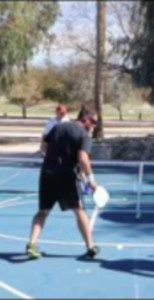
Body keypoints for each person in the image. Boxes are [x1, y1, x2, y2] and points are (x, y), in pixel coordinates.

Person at [26, 109, 99, 260]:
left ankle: (31, 245)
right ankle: (90, 246)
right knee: (79, 211)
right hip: (68, 178)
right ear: (85, 119)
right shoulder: (84, 135)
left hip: (48, 175)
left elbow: (43, 147)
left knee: (43, 211)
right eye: (93, 122)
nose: (94, 126)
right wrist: (90, 179)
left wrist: (55, 157)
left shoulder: (58, 127)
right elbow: (83, 157)